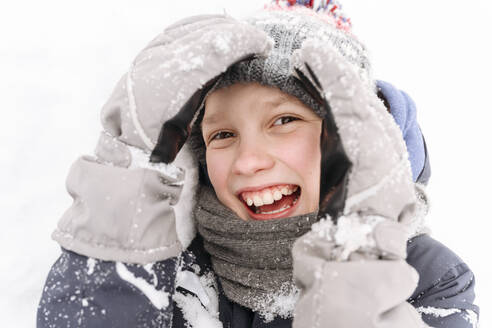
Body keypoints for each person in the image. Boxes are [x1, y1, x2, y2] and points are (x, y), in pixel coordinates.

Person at [37, 1, 479, 327]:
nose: (247, 161)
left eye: (284, 120)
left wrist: (359, 272)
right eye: (222, 135)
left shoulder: (428, 279)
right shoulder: (173, 267)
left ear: (352, 139)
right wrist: (123, 207)